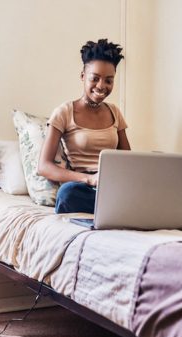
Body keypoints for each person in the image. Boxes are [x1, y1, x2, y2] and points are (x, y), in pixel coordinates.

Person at [38, 38, 131, 214]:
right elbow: (44, 166)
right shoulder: (64, 112)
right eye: (95, 78)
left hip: (113, 186)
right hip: (83, 188)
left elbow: (128, 160)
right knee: (67, 194)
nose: (101, 86)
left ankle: (120, 207)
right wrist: (89, 179)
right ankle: (121, 210)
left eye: (109, 80)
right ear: (83, 76)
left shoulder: (115, 112)